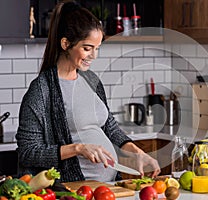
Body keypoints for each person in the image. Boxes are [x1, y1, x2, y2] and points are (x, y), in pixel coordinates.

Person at [16, 0, 160, 183]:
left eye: (97, 48)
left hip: (108, 185)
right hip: (72, 189)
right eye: (87, 48)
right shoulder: (41, 90)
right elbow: (28, 152)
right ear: (66, 44)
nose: (94, 56)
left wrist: (137, 152)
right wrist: (78, 149)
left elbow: (109, 127)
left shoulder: (91, 80)